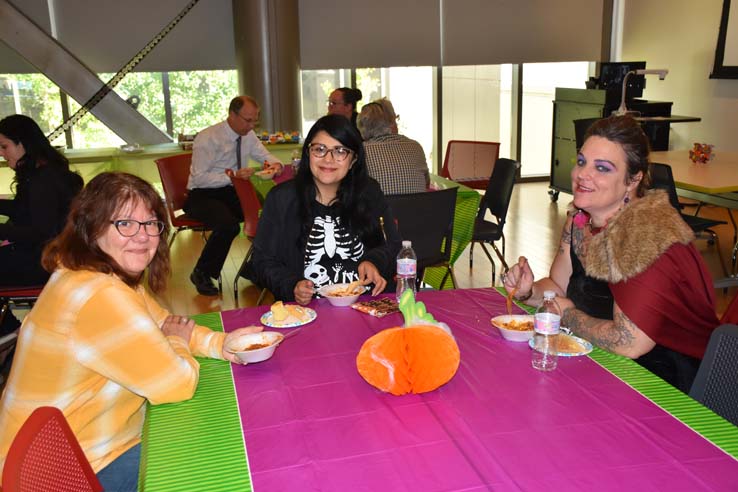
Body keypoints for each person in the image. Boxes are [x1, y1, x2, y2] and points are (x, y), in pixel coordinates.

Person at [0, 172, 262, 490]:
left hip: (79, 450)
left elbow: (163, 322)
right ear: (92, 228)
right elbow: (176, 384)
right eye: (125, 223)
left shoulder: (98, 273)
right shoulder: (99, 295)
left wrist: (222, 344)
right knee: (219, 457)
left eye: (151, 223)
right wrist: (178, 343)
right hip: (72, 472)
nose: (143, 236)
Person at [503, 115, 718, 392]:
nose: (583, 175)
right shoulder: (579, 221)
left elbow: (629, 343)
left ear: (633, 179)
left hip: (663, 382)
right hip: (600, 361)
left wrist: (567, 315)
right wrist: (528, 291)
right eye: (582, 162)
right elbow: (558, 286)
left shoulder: (645, 234)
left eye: (602, 168)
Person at [246, 114, 402, 305]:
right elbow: (262, 260)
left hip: (368, 303)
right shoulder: (282, 199)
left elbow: (392, 244)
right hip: (308, 311)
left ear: (353, 160)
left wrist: (373, 261)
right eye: (319, 149)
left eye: (340, 151)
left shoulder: (369, 192)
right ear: (307, 153)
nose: (328, 159)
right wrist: (291, 284)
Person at [185, 95, 282, 296]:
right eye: (248, 120)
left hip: (232, 189)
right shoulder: (208, 138)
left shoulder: (248, 135)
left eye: (255, 120)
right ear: (232, 115)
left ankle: (254, 268)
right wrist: (232, 176)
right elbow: (200, 178)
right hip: (202, 193)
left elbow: (263, 155)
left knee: (271, 214)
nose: (251, 125)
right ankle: (202, 272)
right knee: (227, 225)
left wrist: (276, 164)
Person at [0, 114, 83, 335]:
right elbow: (22, 209)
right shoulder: (44, 172)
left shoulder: (43, 180)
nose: (1, 153)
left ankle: (9, 336)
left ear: (22, 143)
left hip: (45, 261)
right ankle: (9, 335)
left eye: (4, 146)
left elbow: (38, 231)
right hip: (51, 254)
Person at [358, 98, 430, 195]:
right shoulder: (416, 146)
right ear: (390, 123)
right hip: (417, 208)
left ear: (361, 127)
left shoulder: (361, 151)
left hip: (380, 209)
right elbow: (426, 184)